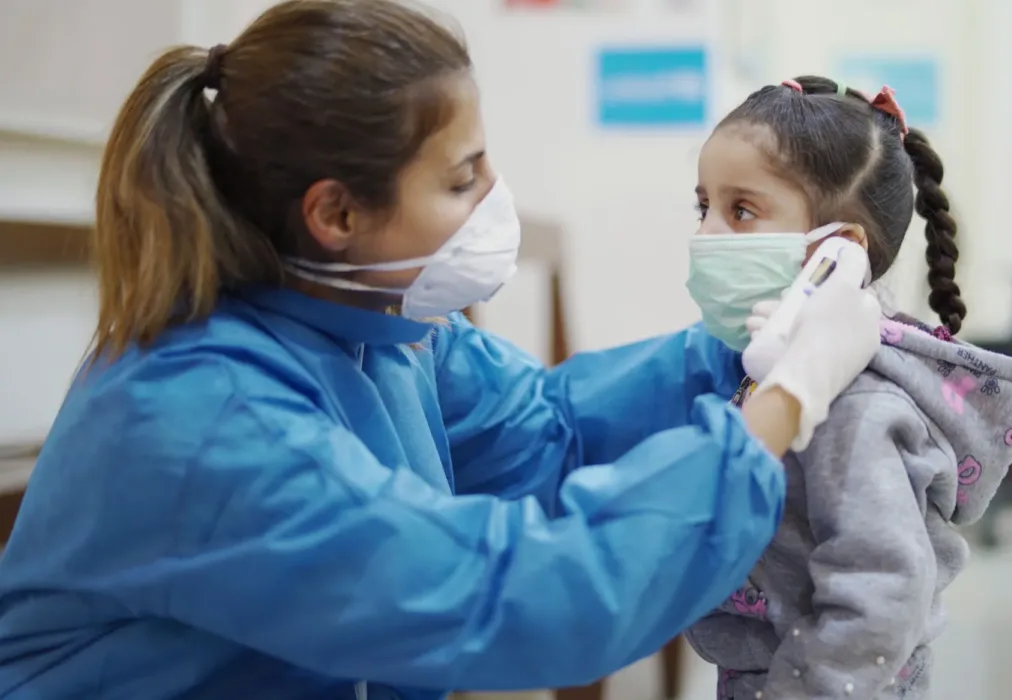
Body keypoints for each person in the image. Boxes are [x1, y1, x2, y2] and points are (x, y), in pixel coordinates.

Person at [0, 6, 884, 699]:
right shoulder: (200, 423)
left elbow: (551, 430)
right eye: (461, 178)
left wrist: (743, 338)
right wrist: (786, 401)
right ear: (336, 214)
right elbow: (524, 594)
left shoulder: (379, 327)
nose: (495, 198)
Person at [681, 76, 1012, 700]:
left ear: (836, 255)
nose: (707, 235)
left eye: (741, 210)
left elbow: (881, 591)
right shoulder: (762, 373)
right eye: (704, 207)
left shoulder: (856, 408)